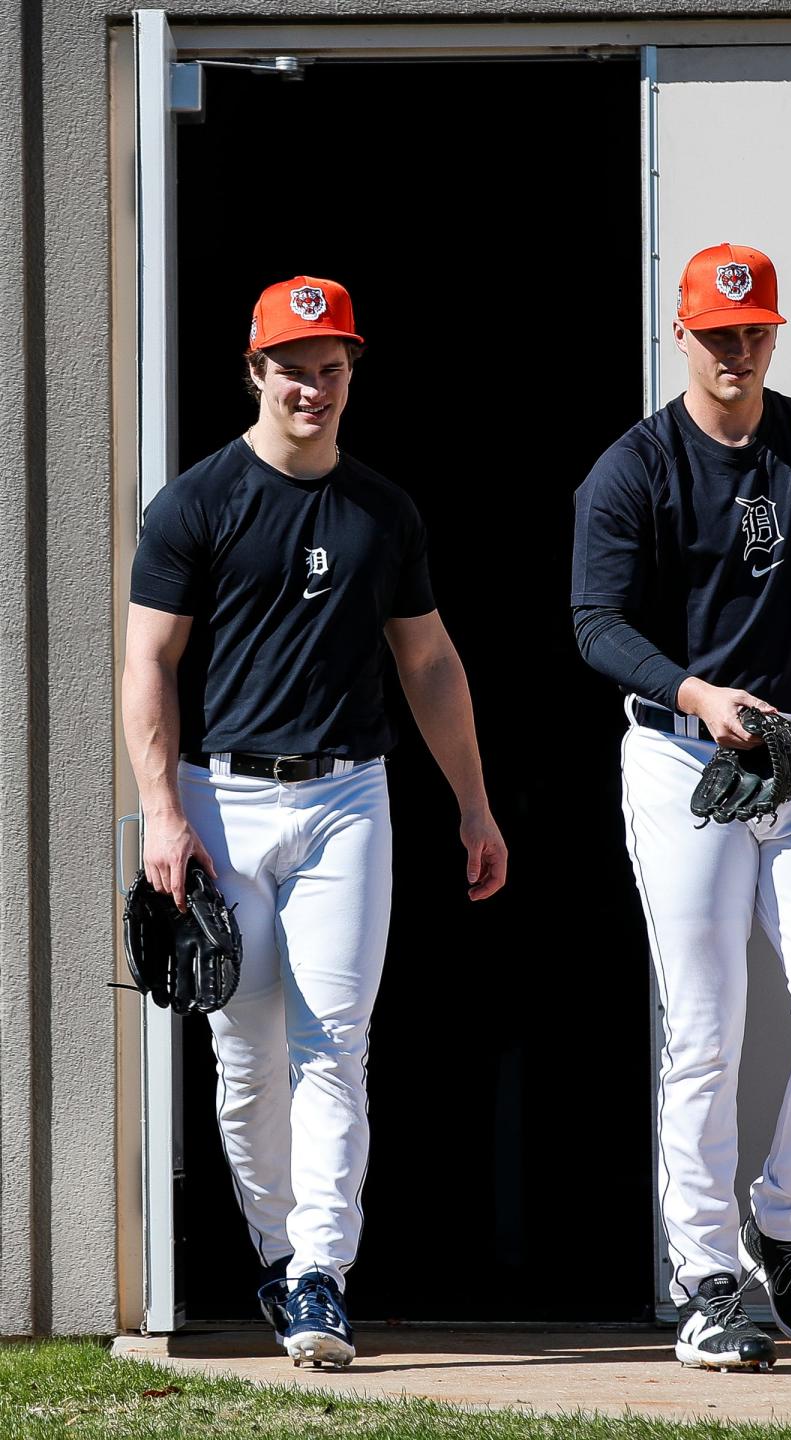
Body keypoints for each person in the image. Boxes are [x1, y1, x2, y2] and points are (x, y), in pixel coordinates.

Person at [122, 275, 507, 1367]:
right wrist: (161, 813)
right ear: (256, 371)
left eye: (331, 367)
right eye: (293, 366)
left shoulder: (384, 507)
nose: (314, 386)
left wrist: (474, 803)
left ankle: (320, 1277)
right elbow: (149, 661)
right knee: (245, 1049)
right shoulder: (196, 502)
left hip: (349, 797)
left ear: (351, 372)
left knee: (336, 1048)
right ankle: (277, 1250)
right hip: (222, 800)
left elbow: (427, 660)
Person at [572, 243, 791, 1371]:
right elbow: (596, 623)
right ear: (683, 333)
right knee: (706, 1033)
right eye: (719, 332)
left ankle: (781, 1219)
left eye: (754, 329)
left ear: (775, 332)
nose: (737, 348)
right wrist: (693, 689)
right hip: (683, 760)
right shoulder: (636, 467)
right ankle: (712, 1281)